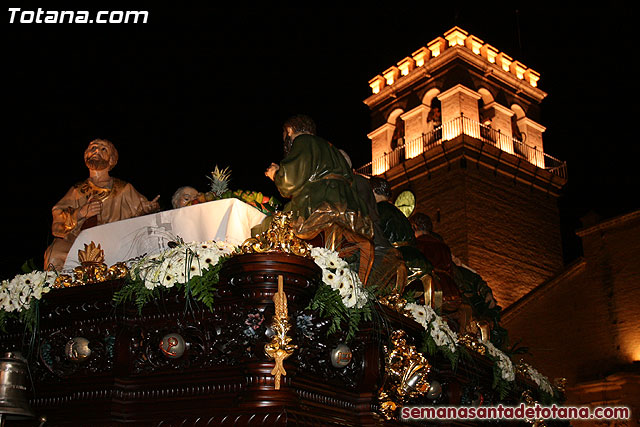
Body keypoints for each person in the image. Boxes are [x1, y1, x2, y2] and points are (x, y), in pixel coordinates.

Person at [44, 139, 160, 271]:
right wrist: (81, 213)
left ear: (111, 160)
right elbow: (58, 215)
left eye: (103, 149)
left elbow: (140, 210)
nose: (97, 151)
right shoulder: (77, 190)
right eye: (93, 148)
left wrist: (148, 210)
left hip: (113, 243)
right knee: (54, 252)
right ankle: (57, 288)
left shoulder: (123, 189)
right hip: (78, 244)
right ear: (86, 155)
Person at [262, 114, 372, 239]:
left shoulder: (303, 140)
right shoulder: (331, 149)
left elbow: (290, 183)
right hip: (350, 207)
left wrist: (275, 173)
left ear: (289, 130)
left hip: (318, 204)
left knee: (266, 226)